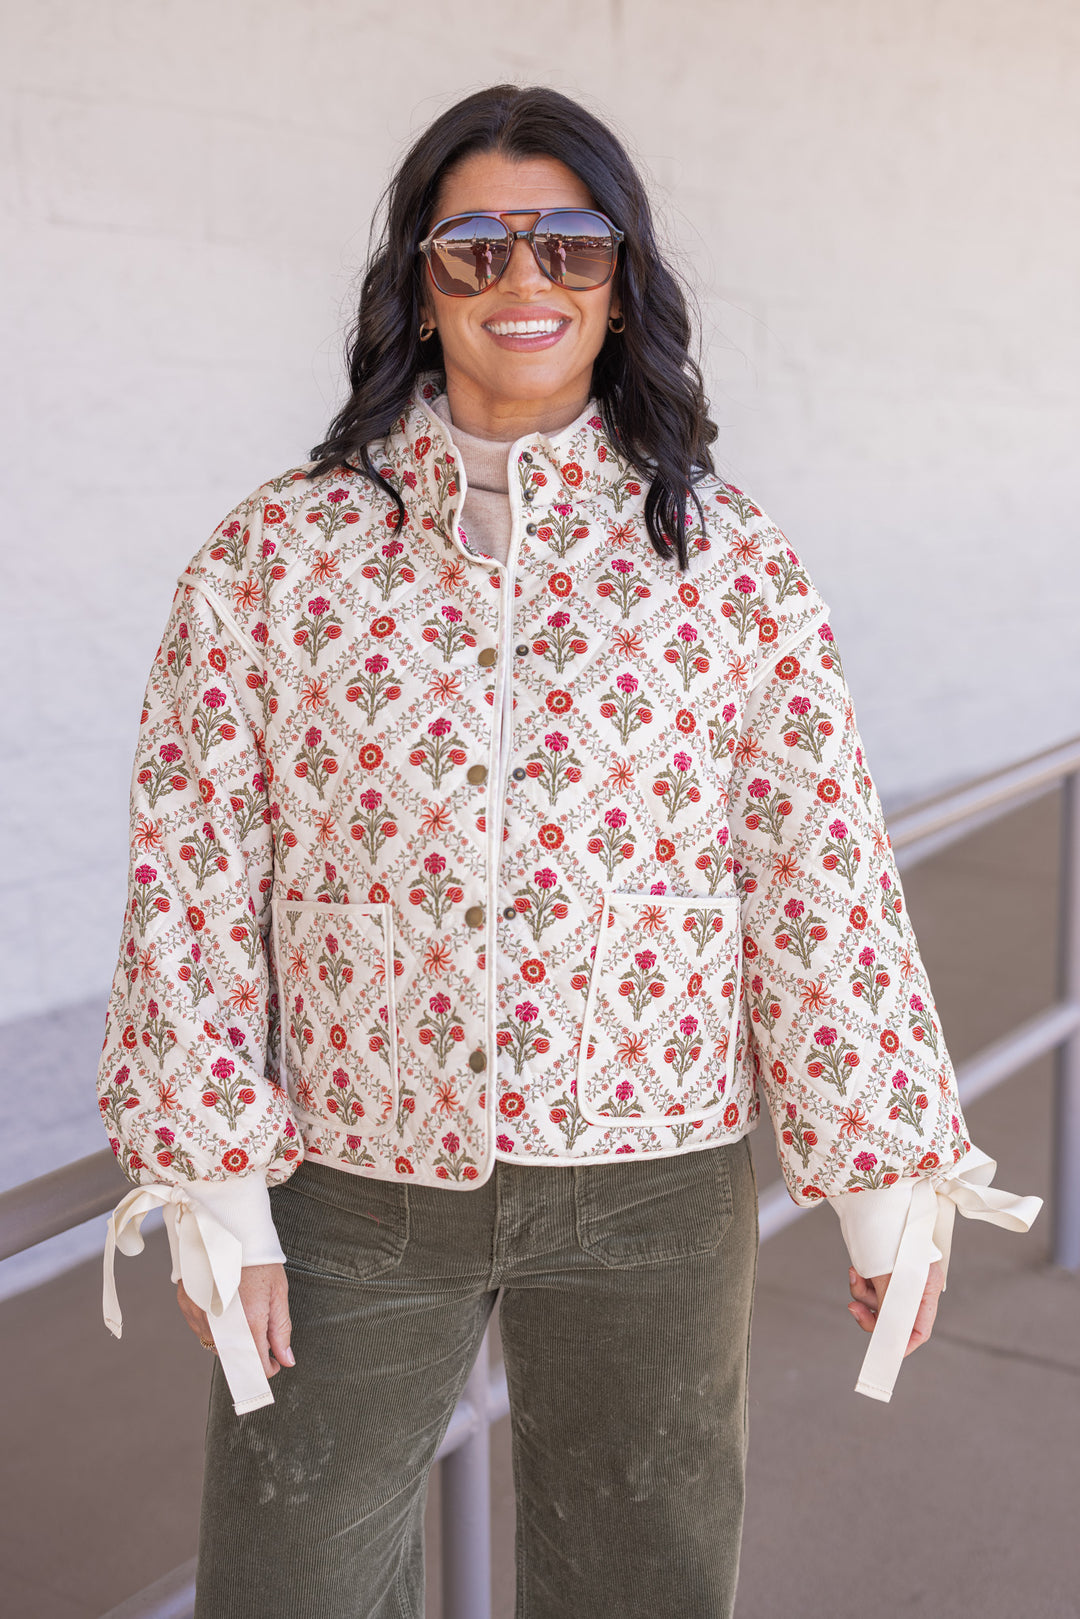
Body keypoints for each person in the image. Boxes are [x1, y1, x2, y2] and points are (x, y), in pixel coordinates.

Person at [98, 84, 1041, 1619]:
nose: (524, 285)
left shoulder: (725, 563)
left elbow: (814, 865)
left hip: (653, 1182)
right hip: (352, 1170)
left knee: (644, 1585)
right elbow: (191, 873)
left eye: (571, 248)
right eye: (475, 249)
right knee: (291, 1579)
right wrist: (212, 1188)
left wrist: (882, 1169)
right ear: (420, 283)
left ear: (621, 282)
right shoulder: (274, 558)